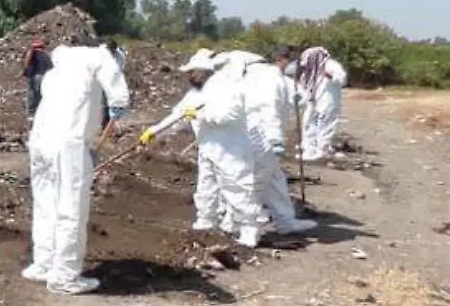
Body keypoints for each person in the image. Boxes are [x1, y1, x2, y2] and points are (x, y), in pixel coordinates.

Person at [25, 42, 129, 295]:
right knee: (71, 208)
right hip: (68, 144)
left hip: (40, 141)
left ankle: (44, 264)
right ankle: (65, 276)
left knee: (45, 203)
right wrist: (118, 104)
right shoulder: (101, 57)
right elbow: (117, 93)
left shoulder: (58, 69)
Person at [142, 50, 264, 245]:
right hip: (208, 148)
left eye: (192, 73)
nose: (189, 77)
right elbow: (177, 116)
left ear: (203, 72)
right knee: (206, 188)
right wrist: (154, 131)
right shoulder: (196, 94)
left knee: (237, 189)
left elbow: (229, 116)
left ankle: (250, 229)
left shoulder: (227, 88)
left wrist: (201, 115)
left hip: (230, 149)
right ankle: (206, 222)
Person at [211, 50, 317, 236]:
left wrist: (298, 100)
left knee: (275, 180)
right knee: (255, 182)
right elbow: (268, 108)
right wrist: (275, 138)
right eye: (293, 62)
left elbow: (291, 99)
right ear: (281, 60)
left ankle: (285, 221)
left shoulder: (266, 77)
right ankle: (235, 224)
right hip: (263, 137)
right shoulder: (269, 77)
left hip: (256, 135)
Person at [294, 46, 348, 161]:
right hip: (312, 101)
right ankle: (309, 150)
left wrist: (332, 76)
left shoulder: (332, 65)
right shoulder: (311, 68)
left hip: (328, 101)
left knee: (324, 126)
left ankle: (321, 152)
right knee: (308, 123)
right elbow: (305, 83)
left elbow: (342, 79)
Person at [23, 38, 54, 118]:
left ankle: (32, 113)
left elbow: (26, 63)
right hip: (43, 76)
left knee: (33, 94)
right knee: (39, 95)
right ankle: (37, 113)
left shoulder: (33, 53)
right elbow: (51, 67)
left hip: (35, 76)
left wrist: (25, 71)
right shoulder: (45, 55)